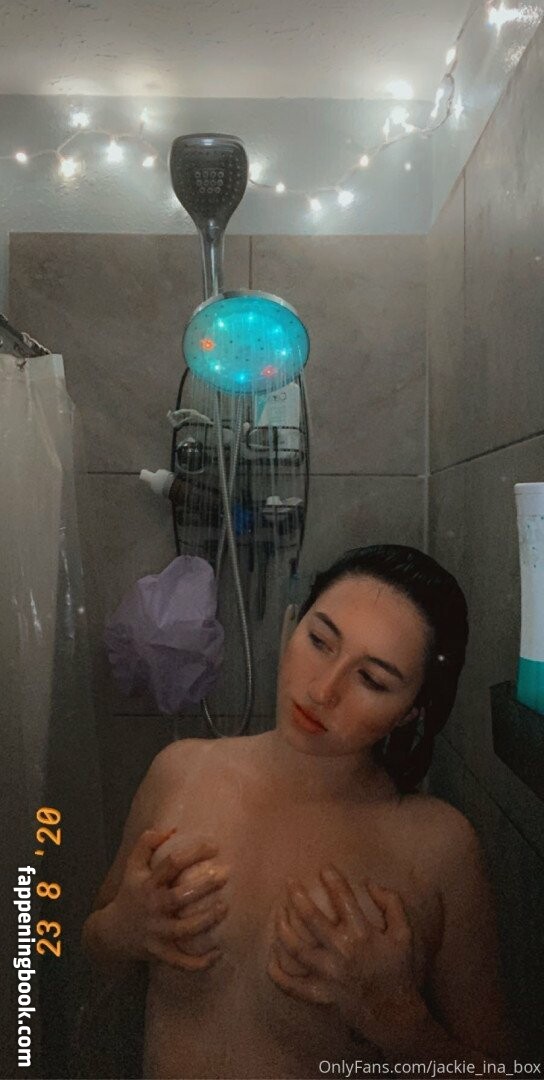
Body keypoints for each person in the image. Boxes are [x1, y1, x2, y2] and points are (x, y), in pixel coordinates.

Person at [81, 544, 515, 1079]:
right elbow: (94, 950)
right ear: (294, 624)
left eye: (372, 680)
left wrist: (402, 1025)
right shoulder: (180, 772)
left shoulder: (439, 846)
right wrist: (122, 929)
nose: (322, 690)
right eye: (320, 641)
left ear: (412, 712)